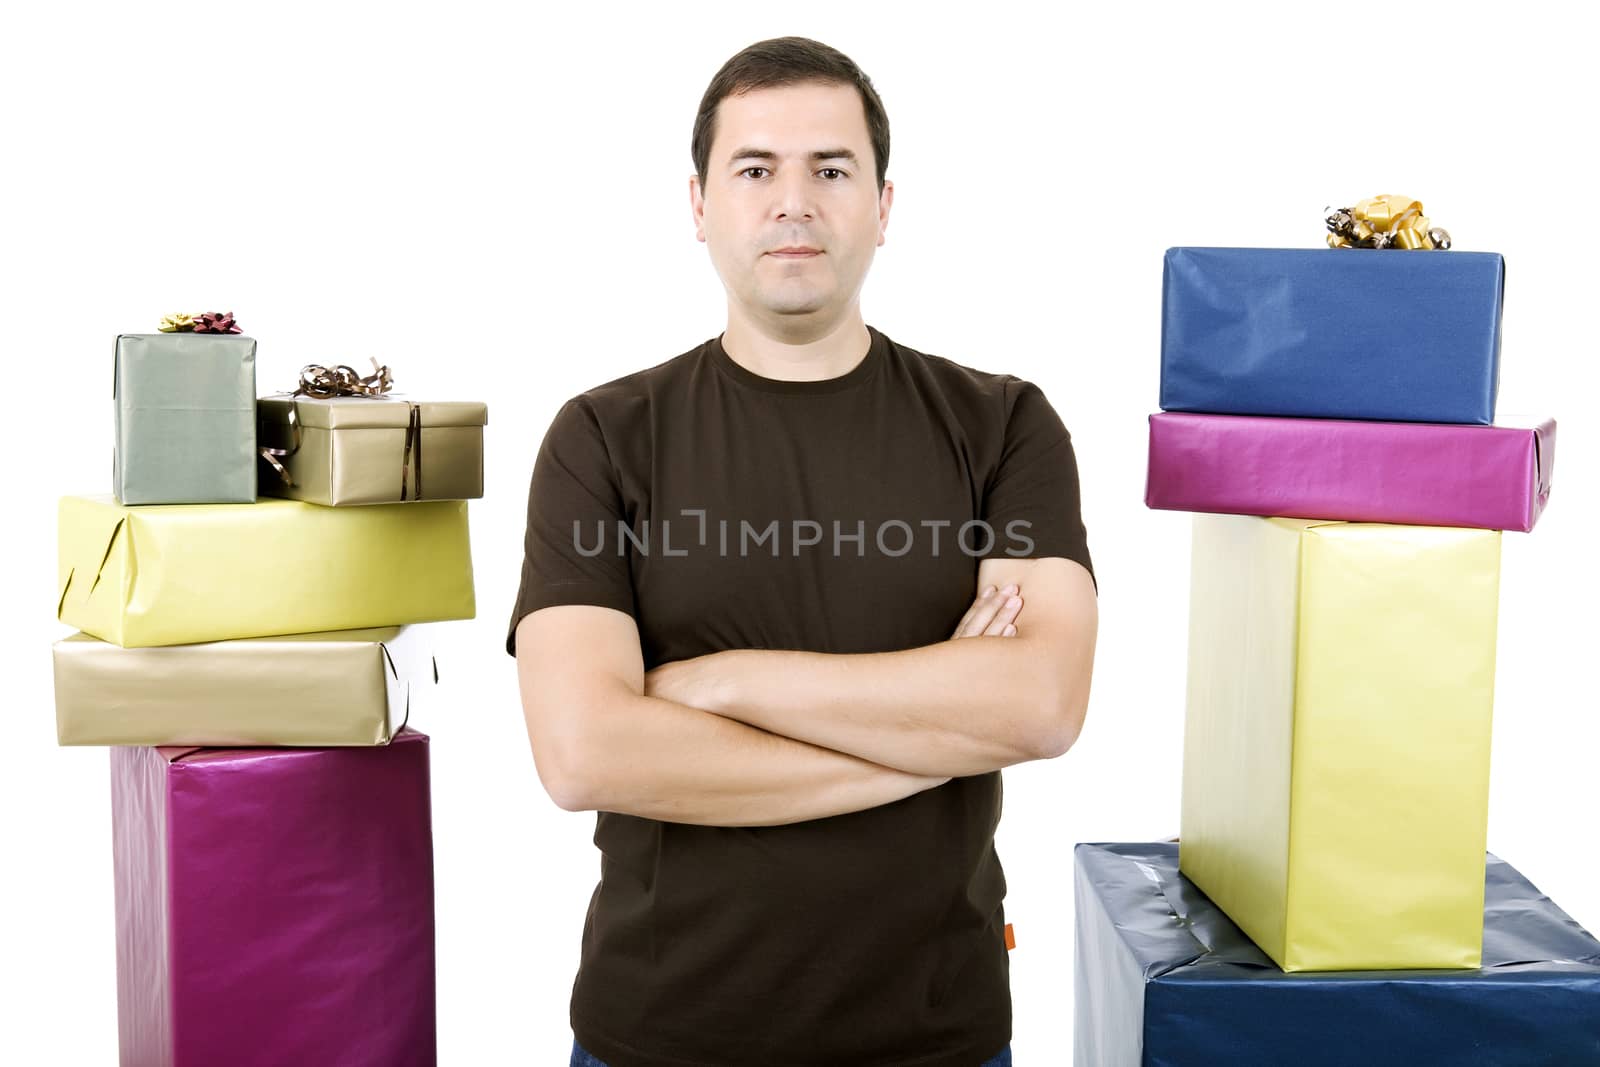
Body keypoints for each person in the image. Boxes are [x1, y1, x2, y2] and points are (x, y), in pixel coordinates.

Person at [508, 35, 1098, 1067]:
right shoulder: (604, 435)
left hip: (936, 1034)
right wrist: (929, 734)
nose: (794, 201)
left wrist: (716, 682)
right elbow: (585, 752)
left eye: (831, 169)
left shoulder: (1002, 424)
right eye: (755, 169)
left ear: (882, 205)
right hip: (659, 1033)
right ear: (698, 205)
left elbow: (1038, 702)